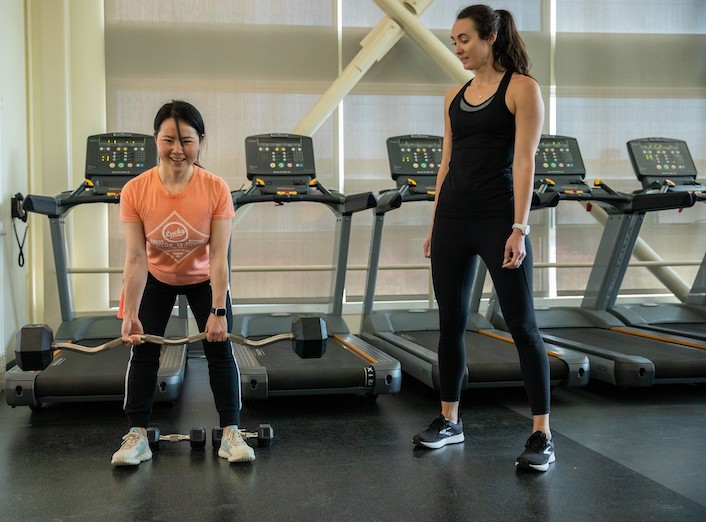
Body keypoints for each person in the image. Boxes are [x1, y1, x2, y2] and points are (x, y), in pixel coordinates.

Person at [413, 5, 554, 472]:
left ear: (490, 37)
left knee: (522, 326)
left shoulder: (522, 88)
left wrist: (520, 228)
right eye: (454, 41)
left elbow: (525, 162)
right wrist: (434, 225)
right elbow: (445, 163)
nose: (458, 49)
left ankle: (541, 434)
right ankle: (449, 421)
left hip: (498, 220)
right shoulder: (455, 94)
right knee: (450, 323)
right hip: (453, 217)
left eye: (465, 39)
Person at [111, 100, 255, 466]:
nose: (177, 150)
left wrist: (218, 310)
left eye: (187, 141)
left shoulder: (215, 188)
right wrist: (129, 312)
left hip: (204, 277)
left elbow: (220, 256)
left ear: (200, 141)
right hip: (157, 277)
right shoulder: (135, 191)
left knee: (219, 350)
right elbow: (135, 257)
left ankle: (231, 432)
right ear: (156, 139)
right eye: (169, 140)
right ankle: (137, 436)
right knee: (143, 350)